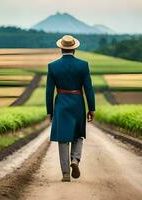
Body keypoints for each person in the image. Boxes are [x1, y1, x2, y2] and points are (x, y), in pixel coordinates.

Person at [46, 35, 95, 182]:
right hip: (78, 103)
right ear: (74, 49)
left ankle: (66, 174)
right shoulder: (83, 65)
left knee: (62, 138)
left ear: (61, 48)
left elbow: (49, 91)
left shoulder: (52, 66)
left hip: (61, 103)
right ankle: (75, 159)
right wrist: (91, 108)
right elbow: (89, 89)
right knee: (78, 134)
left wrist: (50, 111)